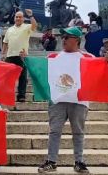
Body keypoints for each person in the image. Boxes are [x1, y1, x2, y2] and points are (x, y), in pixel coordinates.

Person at [37, 27, 96, 173]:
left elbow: (99, 72)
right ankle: (51, 161)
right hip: (58, 100)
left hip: (79, 100)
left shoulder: (88, 58)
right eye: (63, 36)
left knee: (78, 132)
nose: (63, 39)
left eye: (67, 37)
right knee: (54, 131)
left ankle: (79, 162)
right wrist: (26, 59)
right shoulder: (53, 57)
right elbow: (39, 69)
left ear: (76, 40)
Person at [2, 9, 38, 102]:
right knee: (7, 77)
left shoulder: (27, 27)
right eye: (16, 17)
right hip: (10, 56)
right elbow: (5, 42)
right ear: (14, 18)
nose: (18, 18)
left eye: (20, 17)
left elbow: (35, 26)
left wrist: (31, 16)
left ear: (23, 18)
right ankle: (6, 95)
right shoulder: (9, 29)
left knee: (22, 77)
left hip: (22, 56)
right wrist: (3, 54)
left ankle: (21, 96)